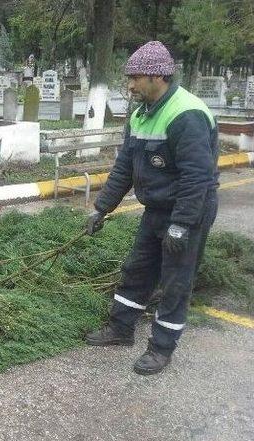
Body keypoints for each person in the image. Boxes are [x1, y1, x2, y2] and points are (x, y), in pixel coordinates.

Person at [84, 41, 219, 375]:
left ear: (158, 77)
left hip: (190, 209)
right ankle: (121, 329)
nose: (129, 85)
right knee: (138, 268)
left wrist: (182, 224)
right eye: (129, 78)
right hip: (157, 209)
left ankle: (161, 349)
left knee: (175, 279)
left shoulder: (186, 115)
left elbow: (197, 177)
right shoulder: (140, 115)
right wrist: (101, 208)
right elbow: (124, 169)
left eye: (136, 78)